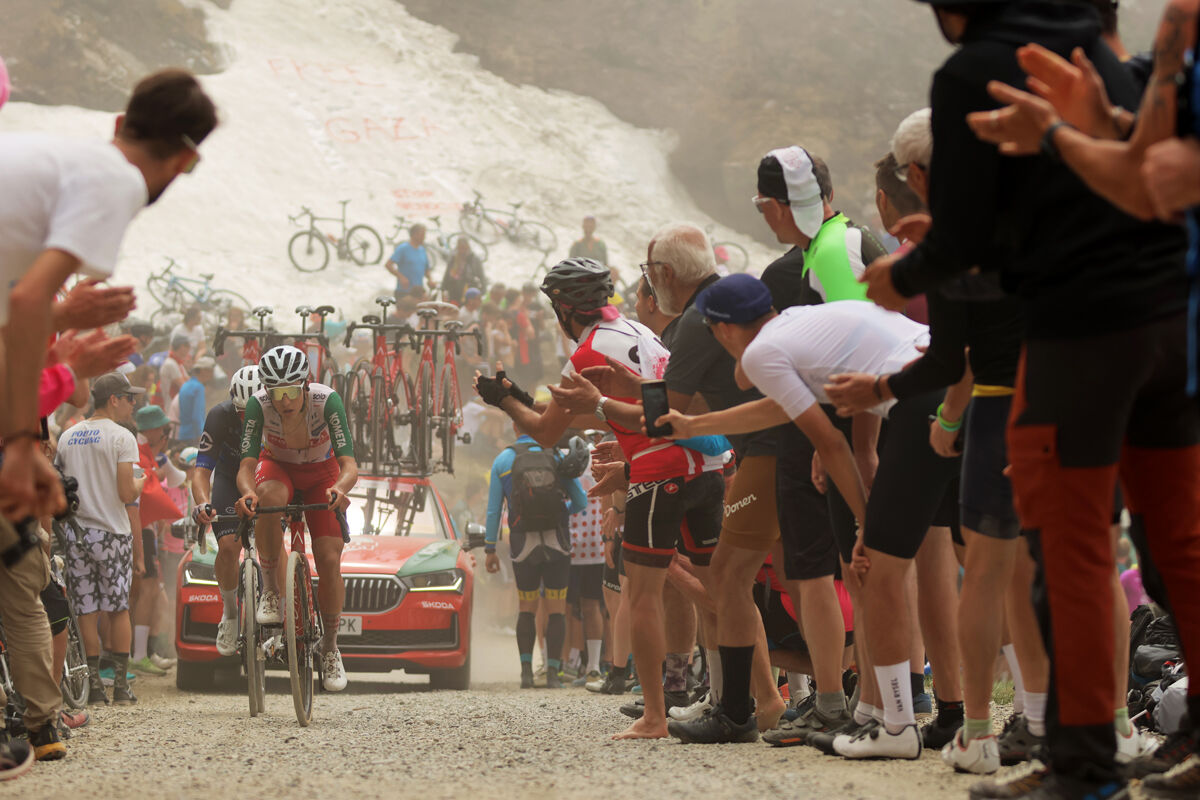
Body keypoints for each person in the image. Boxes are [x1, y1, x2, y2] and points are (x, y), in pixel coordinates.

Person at [858, 2, 1199, 796]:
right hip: (1171, 324)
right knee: (1174, 535)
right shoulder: (1102, 50)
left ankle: (1081, 765)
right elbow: (1129, 178)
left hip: (1079, 336)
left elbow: (971, 238)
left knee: (1070, 546)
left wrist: (902, 274)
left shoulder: (975, 70)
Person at [474, 258, 725, 740]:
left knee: (647, 594)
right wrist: (524, 395)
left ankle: (656, 715)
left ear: (566, 309)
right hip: (706, 458)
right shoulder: (636, 330)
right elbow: (594, 415)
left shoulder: (588, 352)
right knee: (720, 591)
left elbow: (549, 432)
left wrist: (503, 400)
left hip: (659, 466)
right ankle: (749, 697)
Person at [1, 67, 215, 529]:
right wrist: (19, 445)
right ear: (183, 160)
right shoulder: (117, 179)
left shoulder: (57, 159)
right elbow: (26, 305)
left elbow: (13, 322)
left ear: (120, 123)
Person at [234, 346, 358, 692]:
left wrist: (339, 488)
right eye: (276, 393)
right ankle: (272, 590)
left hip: (322, 474)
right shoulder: (259, 406)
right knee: (268, 498)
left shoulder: (326, 401)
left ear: (306, 385)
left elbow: (349, 464)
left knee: (330, 559)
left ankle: (331, 647)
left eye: (290, 391)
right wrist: (248, 493)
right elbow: (246, 466)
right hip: (279, 469)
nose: (284, 401)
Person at [54, 373, 147, 707]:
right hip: (111, 533)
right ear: (114, 400)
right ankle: (121, 687)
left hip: (76, 534)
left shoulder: (67, 436)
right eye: (130, 398)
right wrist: (140, 482)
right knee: (118, 609)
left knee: (86, 612)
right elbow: (125, 492)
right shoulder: (122, 438)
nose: (133, 404)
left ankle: (92, 688)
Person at [484, 426, 586, 688]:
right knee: (556, 610)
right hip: (557, 542)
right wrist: (562, 513)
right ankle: (553, 674)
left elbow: (494, 510)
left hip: (522, 543)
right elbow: (581, 501)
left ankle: (526, 674)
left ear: (516, 427)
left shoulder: (503, 460)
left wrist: (490, 549)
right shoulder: (555, 456)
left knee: (526, 608)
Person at [754, 147, 886, 303]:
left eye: (760, 205)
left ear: (775, 208)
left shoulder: (832, 251)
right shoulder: (834, 238)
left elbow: (859, 326)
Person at [192, 366, 261, 655]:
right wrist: (201, 503)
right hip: (228, 478)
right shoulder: (219, 416)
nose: (247, 418)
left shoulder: (277, 412)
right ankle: (230, 612)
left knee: (270, 548)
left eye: (252, 411)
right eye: (241, 411)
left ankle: (276, 606)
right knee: (229, 548)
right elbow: (201, 472)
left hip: (265, 478)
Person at [385, 223, 429, 299]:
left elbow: (426, 268)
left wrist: (430, 279)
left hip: (418, 292)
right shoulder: (403, 248)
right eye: (422, 235)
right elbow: (388, 265)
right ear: (414, 234)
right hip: (404, 292)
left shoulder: (422, 250)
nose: (424, 237)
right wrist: (401, 277)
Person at [176, 355, 213, 444]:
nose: (212, 373)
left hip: (183, 433)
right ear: (203, 371)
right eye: (211, 370)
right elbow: (197, 416)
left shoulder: (186, 385)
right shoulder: (198, 387)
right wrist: (201, 435)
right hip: (193, 435)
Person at [441, 237, 487, 305]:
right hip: (453, 289)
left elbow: (481, 276)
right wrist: (443, 288)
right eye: (460, 248)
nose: (462, 251)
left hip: (467, 289)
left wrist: (482, 291)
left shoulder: (474, 259)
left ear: (468, 247)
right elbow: (447, 273)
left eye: (464, 248)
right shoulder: (453, 257)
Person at [159, 335, 190, 403]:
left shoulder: (179, 364)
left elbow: (189, 381)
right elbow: (186, 387)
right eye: (186, 345)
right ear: (179, 347)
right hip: (171, 406)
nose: (189, 348)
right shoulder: (170, 363)